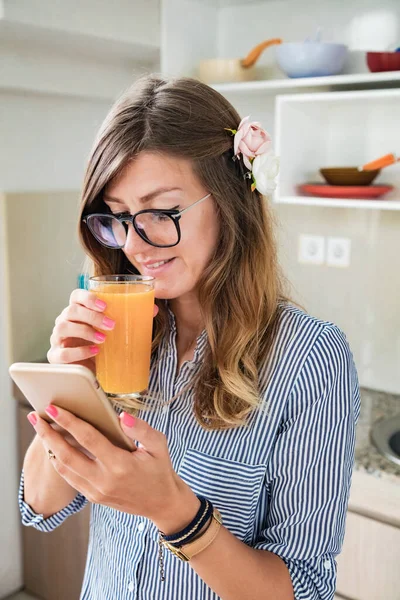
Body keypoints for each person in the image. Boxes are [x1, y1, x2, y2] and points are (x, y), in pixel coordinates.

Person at [19, 75, 360, 600]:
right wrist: (67, 385)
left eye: (162, 211)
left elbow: (306, 589)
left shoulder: (309, 359)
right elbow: (39, 509)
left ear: (227, 199)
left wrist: (173, 510)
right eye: (118, 216)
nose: (135, 243)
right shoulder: (118, 329)